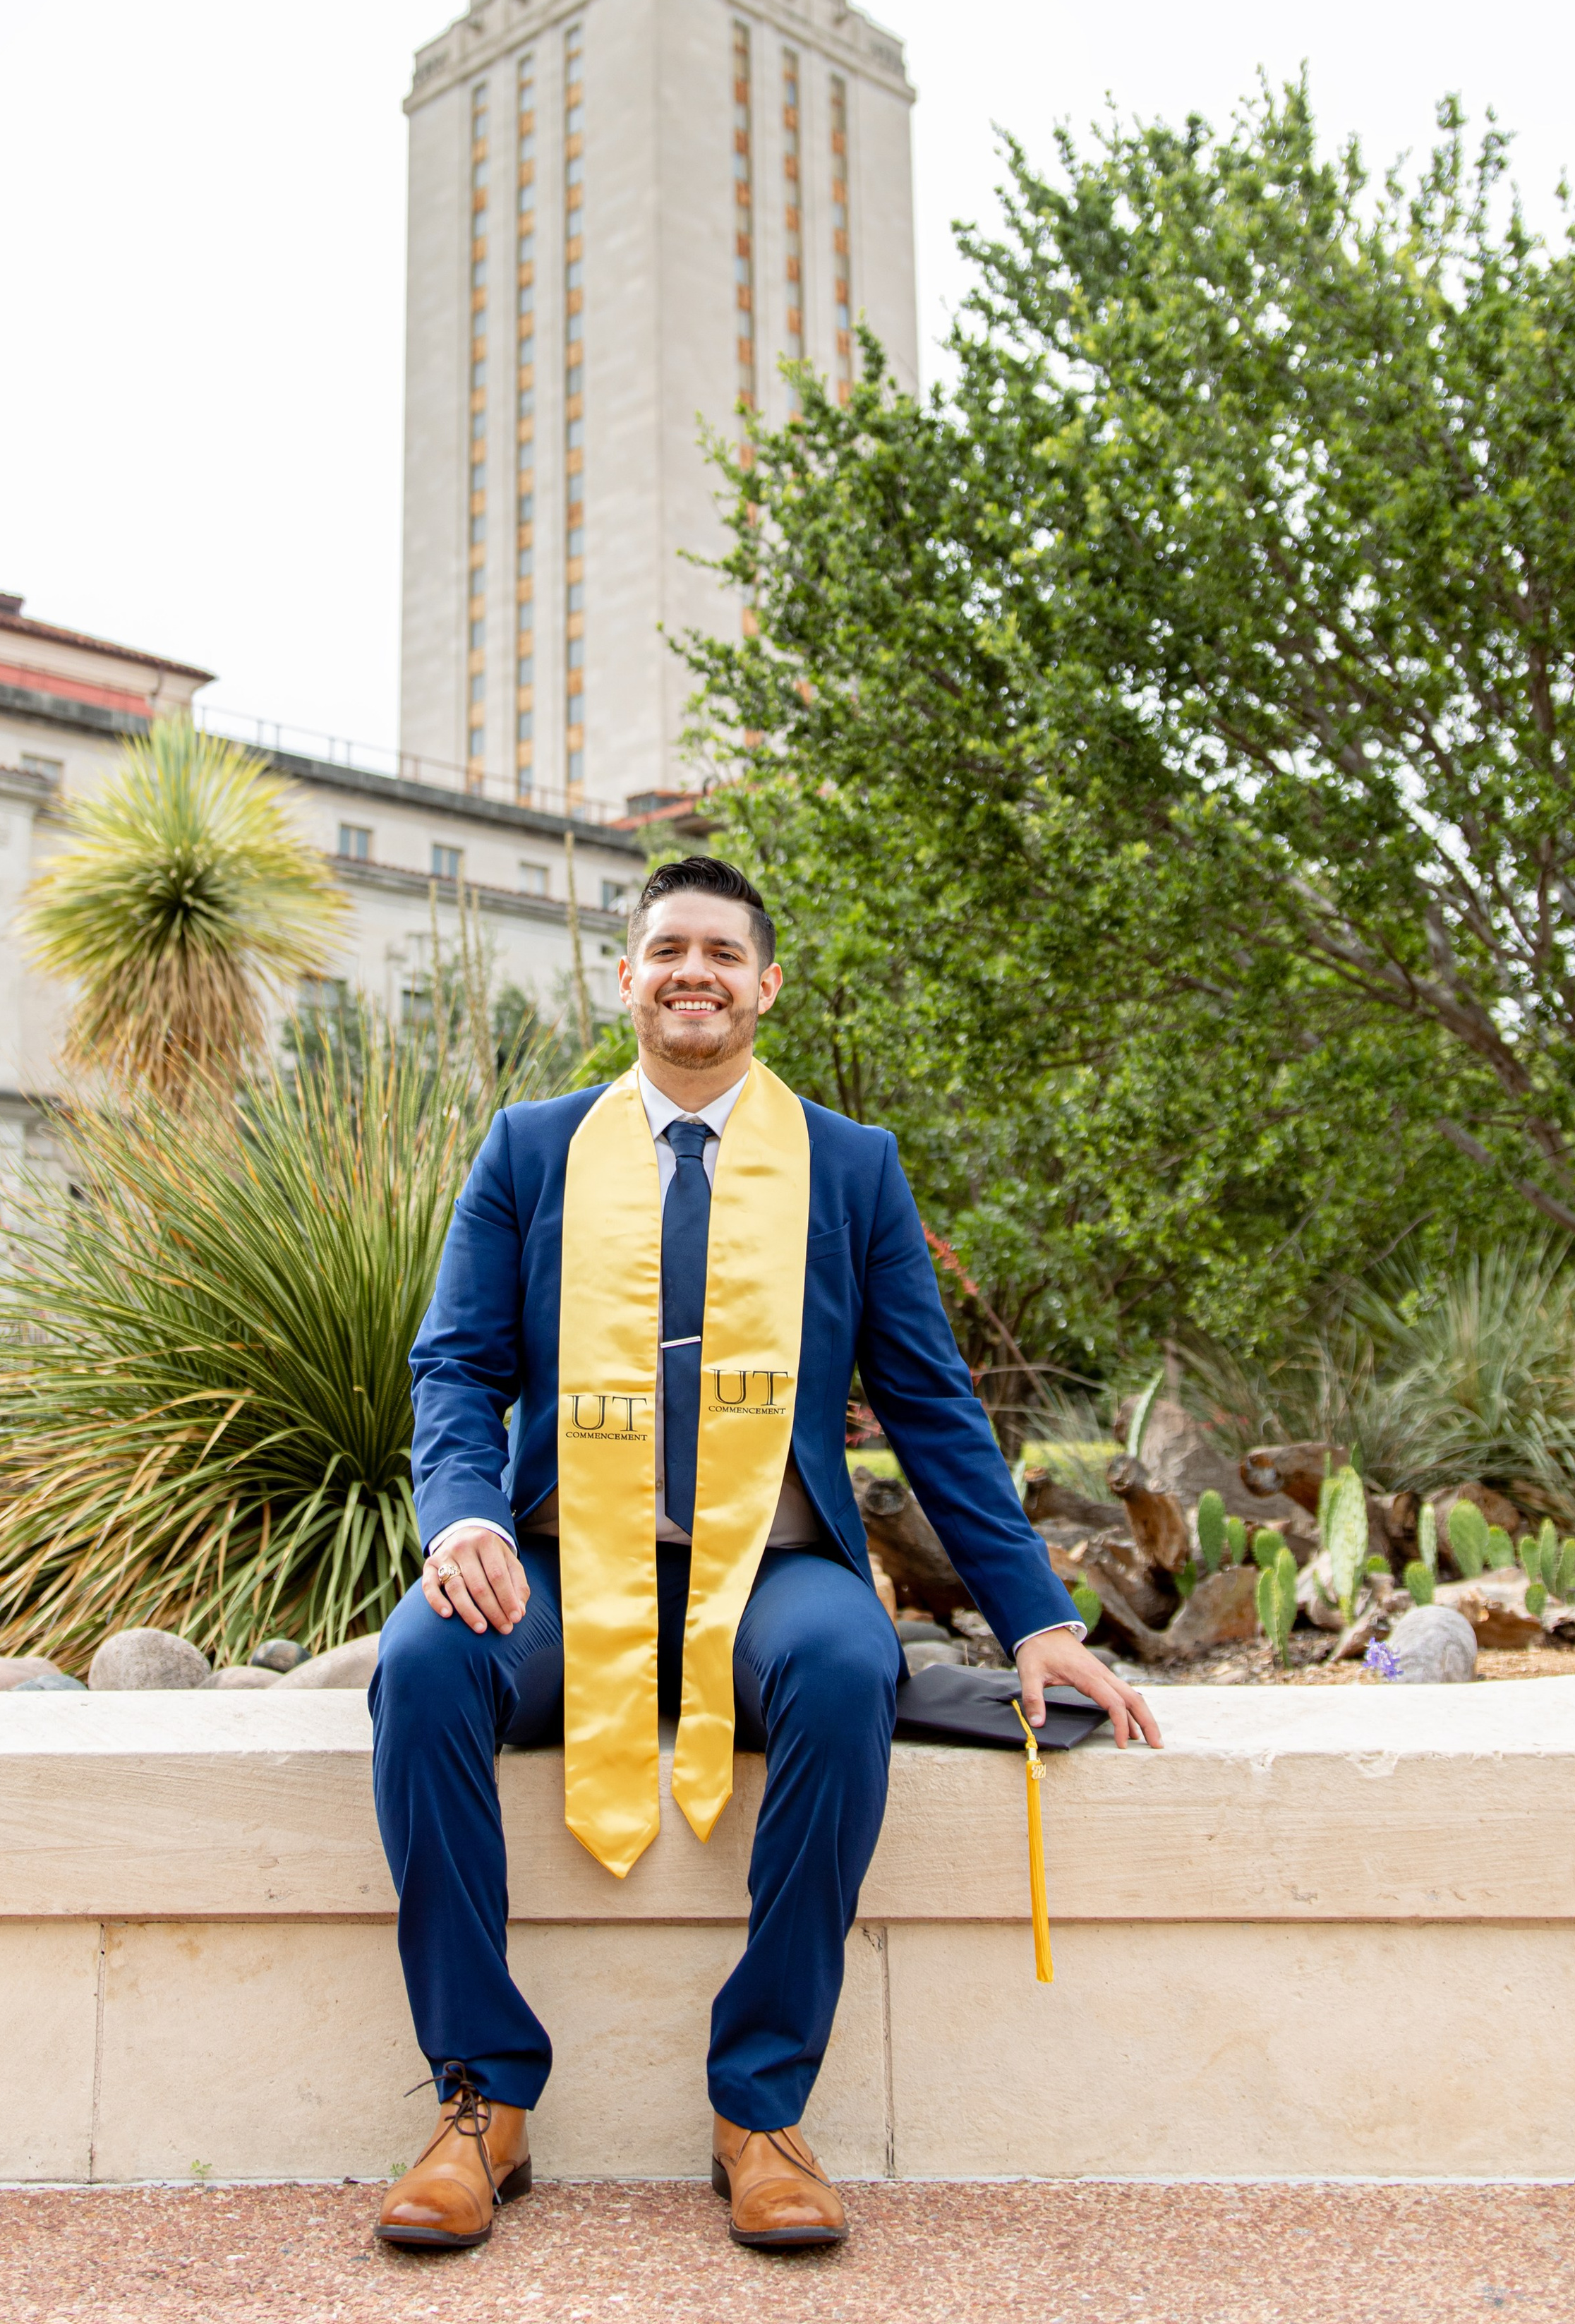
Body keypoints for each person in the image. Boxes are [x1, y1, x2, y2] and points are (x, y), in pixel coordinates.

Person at [370, 855, 1158, 2253]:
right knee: (425, 1664)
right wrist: (467, 1517)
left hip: (770, 1572)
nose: (695, 973)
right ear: (625, 976)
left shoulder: (848, 1166)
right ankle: (480, 2100)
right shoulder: (531, 1149)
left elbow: (929, 1404)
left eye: (723, 954)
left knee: (849, 1668)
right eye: (668, 949)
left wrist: (1037, 1619)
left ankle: (762, 2108)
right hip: (559, 1563)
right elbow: (457, 1365)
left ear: (766, 985)